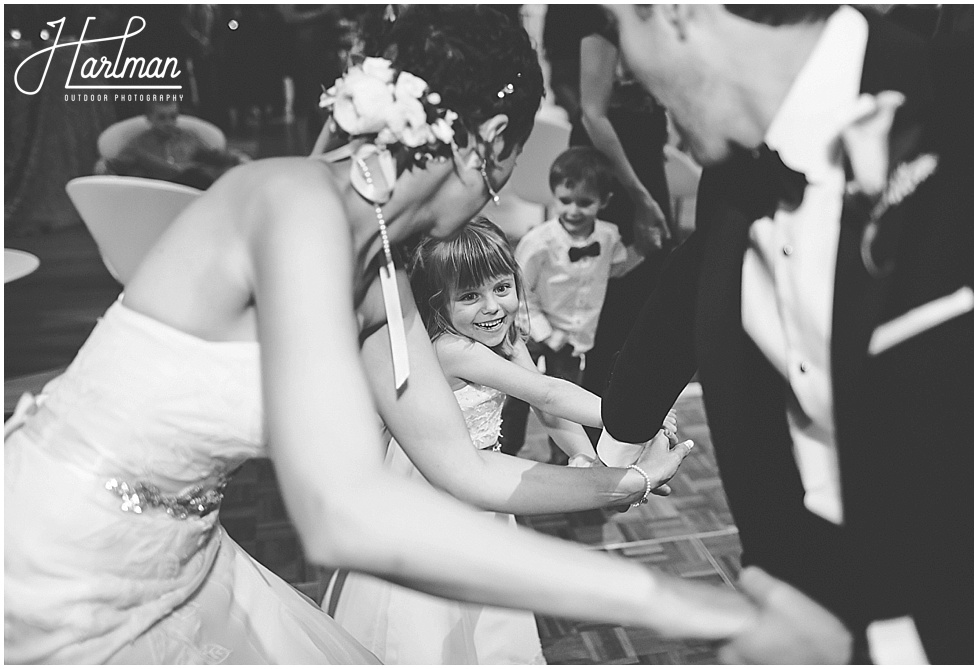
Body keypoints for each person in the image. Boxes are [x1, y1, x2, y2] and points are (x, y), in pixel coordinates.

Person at [5, 7, 754, 664]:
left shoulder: (382, 278)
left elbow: (465, 469)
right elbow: (342, 513)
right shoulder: (291, 203)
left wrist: (619, 480)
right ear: (490, 143)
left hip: (185, 555)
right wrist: (668, 599)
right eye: (508, 168)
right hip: (58, 562)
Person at [599, 4, 974, 664]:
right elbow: (684, 301)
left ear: (672, 11)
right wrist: (614, 445)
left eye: (618, 30)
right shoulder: (738, 172)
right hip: (793, 590)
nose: (625, 69)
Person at [333, 216, 644, 663]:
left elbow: (544, 407)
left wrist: (582, 454)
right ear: (438, 304)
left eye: (501, 287)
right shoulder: (453, 350)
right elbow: (550, 393)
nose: (493, 307)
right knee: (432, 617)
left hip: (484, 489)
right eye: (469, 296)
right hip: (435, 496)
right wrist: (631, 417)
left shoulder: (502, 340)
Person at [567, 6, 680, 426]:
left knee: (649, 277)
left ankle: (620, 415)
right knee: (608, 291)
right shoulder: (604, 18)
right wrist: (640, 197)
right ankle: (589, 420)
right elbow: (592, 113)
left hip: (645, 158)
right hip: (613, 168)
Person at [502, 146, 644, 462]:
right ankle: (505, 452)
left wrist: (647, 249)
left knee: (565, 404)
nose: (573, 211)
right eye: (565, 201)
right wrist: (545, 332)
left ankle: (565, 461)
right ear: (554, 196)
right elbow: (519, 292)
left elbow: (616, 268)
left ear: (604, 202)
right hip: (528, 329)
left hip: (573, 340)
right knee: (516, 396)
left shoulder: (609, 237)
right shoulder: (539, 241)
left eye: (585, 202)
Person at [105, 100, 248, 190]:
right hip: (161, 190)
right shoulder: (139, 143)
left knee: (206, 173)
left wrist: (236, 157)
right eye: (162, 118)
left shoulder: (187, 137)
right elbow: (118, 164)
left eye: (173, 117)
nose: (168, 123)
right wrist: (104, 163)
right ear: (149, 118)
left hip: (192, 188)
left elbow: (212, 155)